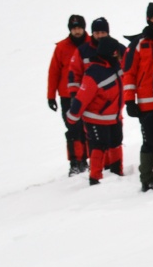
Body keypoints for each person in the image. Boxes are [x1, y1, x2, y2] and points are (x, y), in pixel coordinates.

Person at [122, 3, 153, 191]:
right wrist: (129, 100)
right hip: (147, 104)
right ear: (148, 19)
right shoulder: (138, 44)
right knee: (150, 143)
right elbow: (129, 73)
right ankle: (147, 179)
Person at [68, 36, 125, 185]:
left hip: (114, 116)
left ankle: (117, 173)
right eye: (115, 52)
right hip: (96, 118)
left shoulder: (115, 67)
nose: (118, 54)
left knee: (116, 142)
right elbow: (82, 97)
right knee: (99, 145)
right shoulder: (93, 73)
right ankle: (95, 178)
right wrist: (72, 117)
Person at [47, 14, 91, 175]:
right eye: (74, 28)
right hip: (67, 96)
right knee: (72, 129)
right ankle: (75, 163)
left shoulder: (92, 44)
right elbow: (54, 72)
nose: (77, 31)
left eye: (79, 28)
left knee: (87, 128)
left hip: (88, 93)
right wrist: (51, 96)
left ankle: (85, 160)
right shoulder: (61, 48)